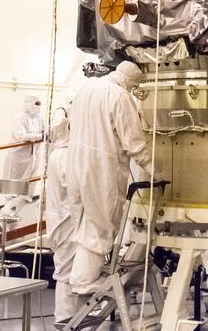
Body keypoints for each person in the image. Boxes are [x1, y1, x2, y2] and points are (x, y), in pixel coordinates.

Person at [65, 61, 153, 294]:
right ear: (130, 81)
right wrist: (155, 169)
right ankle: (84, 281)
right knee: (100, 222)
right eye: (134, 86)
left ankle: (80, 277)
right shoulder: (119, 96)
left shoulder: (86, 89)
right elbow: (133, 142)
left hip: (75, 161)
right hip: (101, 167)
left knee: (84, 220)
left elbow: (72, 125)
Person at [42, 106, 79, 325]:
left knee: (66, 268)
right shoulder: (65, 156)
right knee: (66, 272)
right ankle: (66, 320)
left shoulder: (57, 154)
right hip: (66, 221)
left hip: (60, 219)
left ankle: (69, 319)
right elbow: (76, 189)